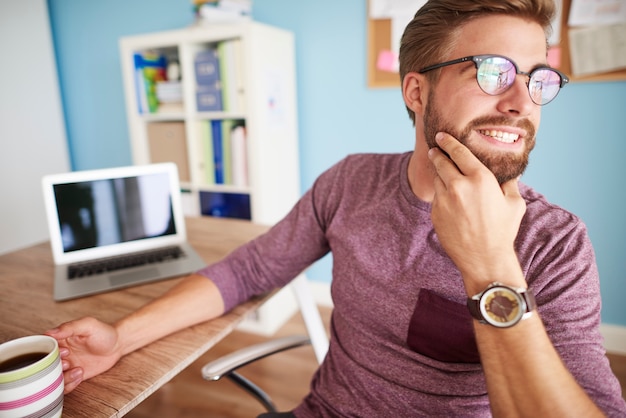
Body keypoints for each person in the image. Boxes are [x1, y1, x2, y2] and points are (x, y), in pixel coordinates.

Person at [47, 0, 626, 416]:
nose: (522, 100)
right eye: (493, 71)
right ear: (416, 92)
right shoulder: (351, 182)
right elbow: (249, 270)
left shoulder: (556, 244)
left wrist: (491, 269)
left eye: (538, 78)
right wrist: (119, 340)